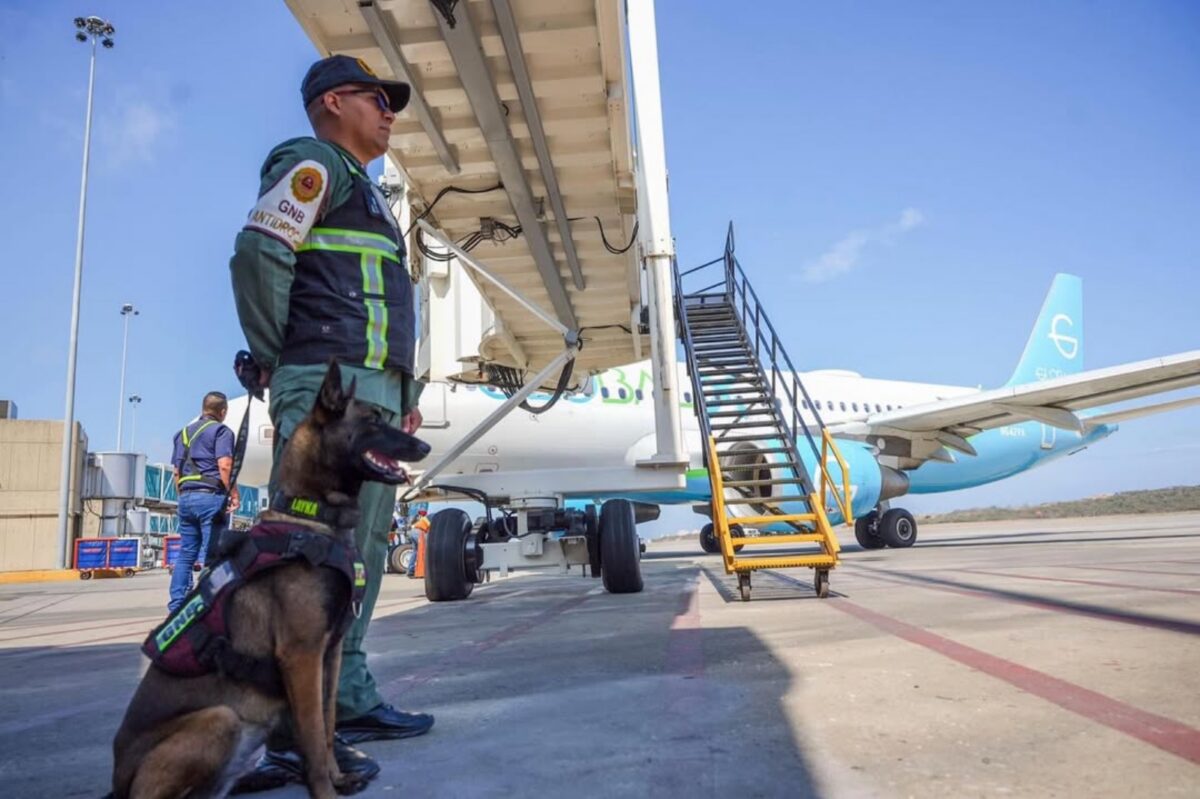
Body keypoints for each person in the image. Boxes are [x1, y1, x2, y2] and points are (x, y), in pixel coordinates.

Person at [228, 54, 431, 791]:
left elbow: (379, 300)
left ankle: (345, 697)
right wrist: (278, 357)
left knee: (361, 550)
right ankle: (288, 731)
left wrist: (400, 389)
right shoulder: (314, 164)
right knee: (307, 560)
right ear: (334, 101)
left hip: (366, 395)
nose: (390, 113)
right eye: (379, 100)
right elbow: (258, 253)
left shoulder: (368, 196)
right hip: (324, 387)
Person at [168, 392, 238, 612]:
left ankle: (177, 605)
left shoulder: (181, 435)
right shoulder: (221, 431)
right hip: (210, 497)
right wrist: (233, 493)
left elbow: (176, 472)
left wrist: (184, 497)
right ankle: (210, 604)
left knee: (186, 554)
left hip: (186, 498)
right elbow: (225, 466)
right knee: (213, 554)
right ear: (223, 411)